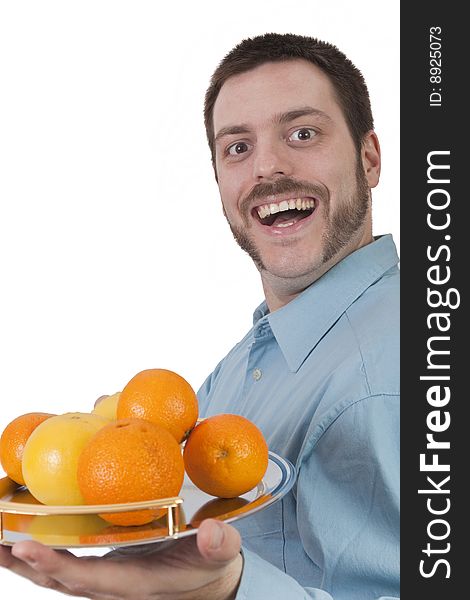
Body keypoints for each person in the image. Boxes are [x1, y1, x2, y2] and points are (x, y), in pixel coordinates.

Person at [0, 32, 399, 599]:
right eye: (237, 147)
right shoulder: (252, 360)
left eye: (302, 133)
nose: (267, 166)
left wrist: (232, 590)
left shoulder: (394, 370)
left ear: (368, 158)